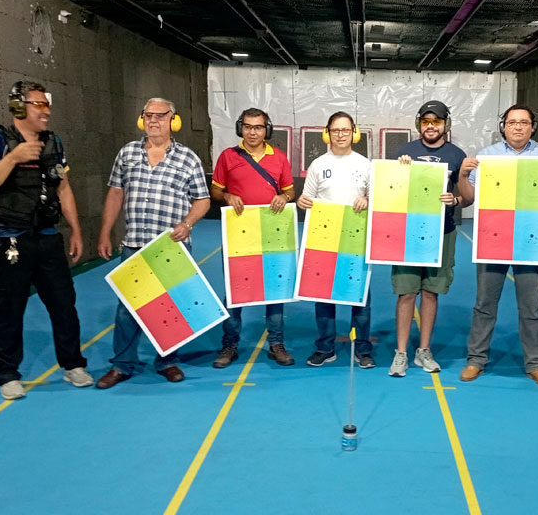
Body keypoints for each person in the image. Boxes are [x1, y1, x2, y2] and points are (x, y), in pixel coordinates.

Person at [0, 81, 93, 400]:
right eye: (38, 104)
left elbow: (63, 188)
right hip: (8, 240)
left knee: (64, 306)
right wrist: (13, 158)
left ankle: (73, 365)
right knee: (9, 311)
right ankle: (7, 374)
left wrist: (76, 230)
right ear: (18, 107)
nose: (46, 110)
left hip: (47, 239)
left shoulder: (53, 143)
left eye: (46, 104)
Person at [458, 104, 538, 388]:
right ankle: (476, 360)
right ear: (503, 127)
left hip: (530, 241)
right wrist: (464, 176)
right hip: (493, 239)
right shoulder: (487, 156)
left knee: (531, 307)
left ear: (532, 127)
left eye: (524, 122)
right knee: (484, 304)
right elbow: (469, 198)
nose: (517, 127)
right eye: (512, 122)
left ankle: (536, 364)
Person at [95, 98, 210, 389]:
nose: (153, 120)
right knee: (126, 309)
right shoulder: (127, 153)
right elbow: (116, 193)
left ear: (174, 120)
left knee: (170, 308)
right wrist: (105, 231)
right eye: (148, 115)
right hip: (134, 244)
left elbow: (202, 200)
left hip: (171, 246)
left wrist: (187, 224)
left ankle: (167, 361)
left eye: (160, 115)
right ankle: (122, 365)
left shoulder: (188, 158)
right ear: (142, 119)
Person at [388, 100, 468, 377]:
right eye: (426, 121)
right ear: (418, 124)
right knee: (407, 293)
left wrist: (455, 199)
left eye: (436, 121)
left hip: (442, 232)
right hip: (409, 233)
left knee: (431, 293)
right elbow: (391, 190)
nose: (431, 126)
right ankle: (401, 353)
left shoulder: (457, 155)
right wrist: (400, 171)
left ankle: (424, 350)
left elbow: (467, 196)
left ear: (446, 124)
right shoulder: (404, 151)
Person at [211, 108, 296, 367]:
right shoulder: (228, 156)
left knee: (275, 289)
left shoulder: (278, 157)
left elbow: (290, 191)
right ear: (241, 128)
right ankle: (230, 344)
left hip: (272, 232)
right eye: (248, 127)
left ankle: (276, 343)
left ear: (266, 130)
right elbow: (215, 190)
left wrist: (284, 197)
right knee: (234, 289)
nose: (252, 132)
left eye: (258, 127)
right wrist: (227, 196)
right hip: (239, 233)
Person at [297, 111, 373, 368]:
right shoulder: (318, 165)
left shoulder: (365, 164)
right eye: (336, 130)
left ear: (354, 133)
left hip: (356, 239)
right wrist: (302, 201)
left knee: (360, 296)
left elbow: (377, 199)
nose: (341, 135)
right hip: (325, 238)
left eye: (345, 130)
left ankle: (363, 349)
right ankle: (325, 347)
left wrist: (368, 199)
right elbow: (307, 199)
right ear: (327, 133)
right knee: (323, 296)